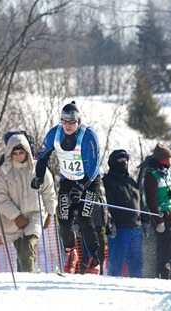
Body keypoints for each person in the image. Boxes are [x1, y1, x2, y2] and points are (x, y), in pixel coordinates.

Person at [31, 101, 102, 274]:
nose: (67, 126)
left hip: (89, 182)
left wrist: (81, 186)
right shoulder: (54, 134)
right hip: (68, 181)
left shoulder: (88, 136)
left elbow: (93, 166)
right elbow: (43, 157)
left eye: (72, 122)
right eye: (64, 121)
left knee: (85, 219)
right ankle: (71, 253)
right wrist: (39, 177)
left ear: (78, 121)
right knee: (63, 219)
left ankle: (93, 258)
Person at [0, 133, 57, 273]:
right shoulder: (3, 172)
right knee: (22, 251)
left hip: (35, 214)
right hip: (13, 220)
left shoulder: (38, 169)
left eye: (21, 152)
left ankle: (30, 278)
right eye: (14, 153)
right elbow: (0, 198)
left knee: (28, 247)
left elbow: (49, 192)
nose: (18, 155)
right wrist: (15, 216)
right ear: (9, 153)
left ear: (27, 151)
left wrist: (50, 214)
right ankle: (26, 276)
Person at [102, 149, 143, 277]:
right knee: (116, 262)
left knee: (137, 263)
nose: (123, 162)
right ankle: (113, 289)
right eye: (120, 160)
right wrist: (109, 223)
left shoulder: (131, 181)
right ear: (113, 162)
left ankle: (137, 288)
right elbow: (104, 204)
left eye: (126, 160)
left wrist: (144, 219)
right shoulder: (107, 181)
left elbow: (140, 201)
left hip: (135, 227)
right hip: (118, 228)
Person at [143, 143, 171, 280]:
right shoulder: (151, 175)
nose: (170, 161)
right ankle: (165, 280)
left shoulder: (166, 173)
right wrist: (158, 221)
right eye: (168, 158)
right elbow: (151, 200)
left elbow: (165, 193)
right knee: (166, 255)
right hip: (164, 218)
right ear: (161, 159)